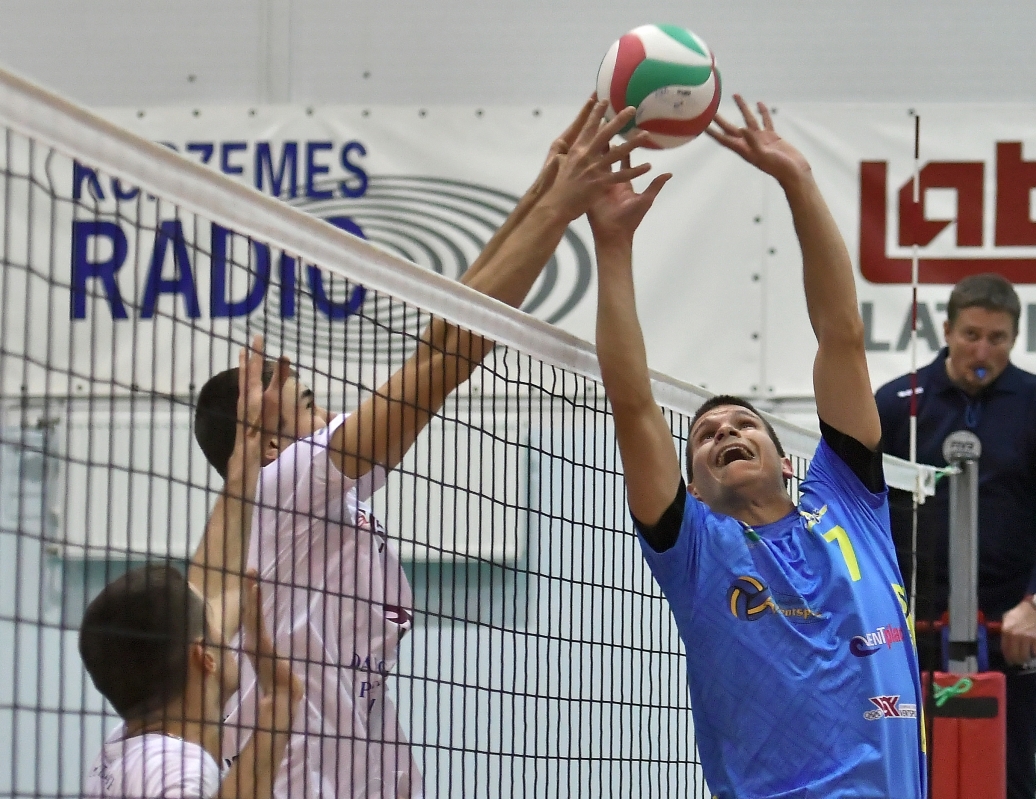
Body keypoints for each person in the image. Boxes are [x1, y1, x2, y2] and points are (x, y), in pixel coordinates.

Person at [192, 98, 653, 799]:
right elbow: (447, 363)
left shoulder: (306, 497)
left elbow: (440, 339)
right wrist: (560, 209)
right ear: (264, 443)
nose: (328, 410)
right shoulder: (282, 487)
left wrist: (545, 189)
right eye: (306, 403)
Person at [589, 96, 925, 798]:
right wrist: (613, 247)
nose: (725, 432)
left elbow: (841, 335)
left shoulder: (848, 505)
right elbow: (632, 402)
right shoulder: (695, 547)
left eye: (744, 424)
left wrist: (798, 181)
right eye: (705, 436)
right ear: (693, 485)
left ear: (788, 462)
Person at [875, 273, 1036, 799]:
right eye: (971, 335)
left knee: (1009, 770)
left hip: (1010, 622)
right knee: (908, 768)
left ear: (1015, 338)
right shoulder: (898, 402)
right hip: (911, 620)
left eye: (998, 338)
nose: (983, 351)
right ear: (946, 330)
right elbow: (861, 506)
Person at [80, 338, 304, 799]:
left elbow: (213, 587)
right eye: (218, 628)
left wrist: (244, 461)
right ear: (205, 657)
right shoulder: (177, 767)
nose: (226, 622)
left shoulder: (122, 749)